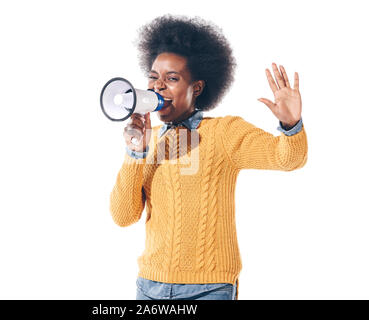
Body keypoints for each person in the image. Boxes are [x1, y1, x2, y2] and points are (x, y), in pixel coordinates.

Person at [109, 14, 307, 300]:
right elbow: (123, 216)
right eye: (153, 77)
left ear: (197, 88)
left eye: (172, 78)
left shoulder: (224, 132)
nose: (158, 86)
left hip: (209, 289)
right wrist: (134, 151)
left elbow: (288, 158)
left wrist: (291, 125)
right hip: (149, 287)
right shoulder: (151, 144)